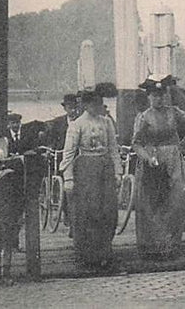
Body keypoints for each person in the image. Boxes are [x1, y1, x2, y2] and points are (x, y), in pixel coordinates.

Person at [132, 75, 185, 258]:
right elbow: (136, 143)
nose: (158, 99)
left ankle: (172, 243)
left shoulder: (174, 112)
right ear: (149, 97)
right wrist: (147, 157)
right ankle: (152, 245)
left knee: (176, 198)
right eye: (154, 96)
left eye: (161, 95)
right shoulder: (144, 117)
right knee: (151, 202)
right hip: (152, 161)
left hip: (173, 160)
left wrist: (182, 146)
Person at [60, 86, 121, 269]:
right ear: (86, 105)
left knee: (107, 211)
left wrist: (117, 172)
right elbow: (68, 154)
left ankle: (104, 250)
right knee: (87, 212)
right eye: (93, 103)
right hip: (85, 170)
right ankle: (87, 253)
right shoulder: (77, 124)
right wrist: (68, 178)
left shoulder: (107, 122)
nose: (97, 106)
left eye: (99, 103)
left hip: (105, 169)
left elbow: (113, 149)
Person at [0, 146, 22, 286]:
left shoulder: (10, 176)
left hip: (7, 216)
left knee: (7, 244)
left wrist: (18, 215)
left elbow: (18, 197)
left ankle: (6, 274)